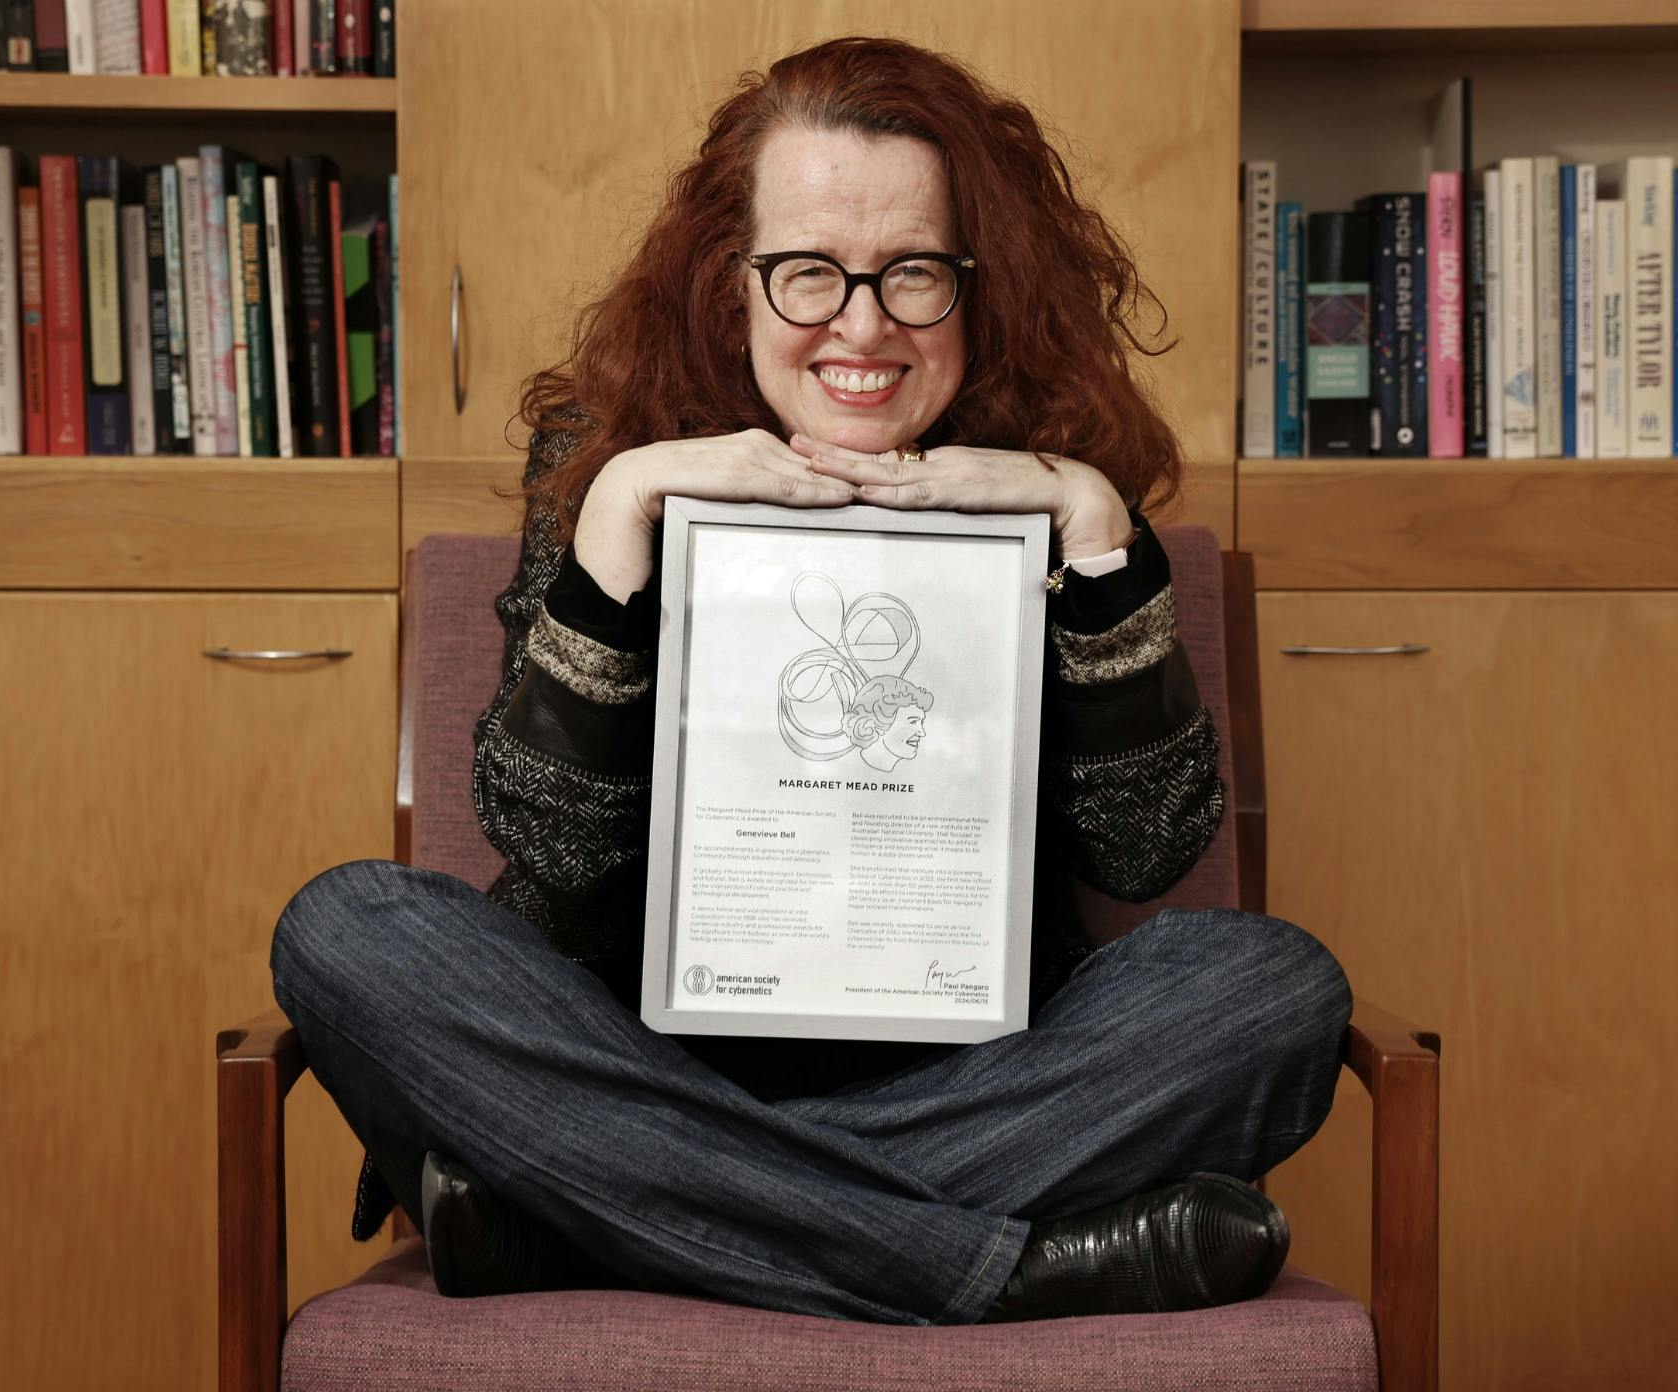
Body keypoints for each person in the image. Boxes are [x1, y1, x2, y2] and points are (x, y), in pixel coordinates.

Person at [269, 36, 1352, 1326]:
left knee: (1275, 991)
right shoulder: (616, 462)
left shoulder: (1052, 476)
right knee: (347, 930)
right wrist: (618, 522)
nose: (863, 324)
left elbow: (1144, 850)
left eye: (913, 273)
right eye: (806, 273)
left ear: (980, 287)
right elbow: (549, 850)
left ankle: (595, 1225)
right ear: (731, 286)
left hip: (977, 1073)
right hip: (625, 1051)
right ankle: (990, 1266)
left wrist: (1095, 530)